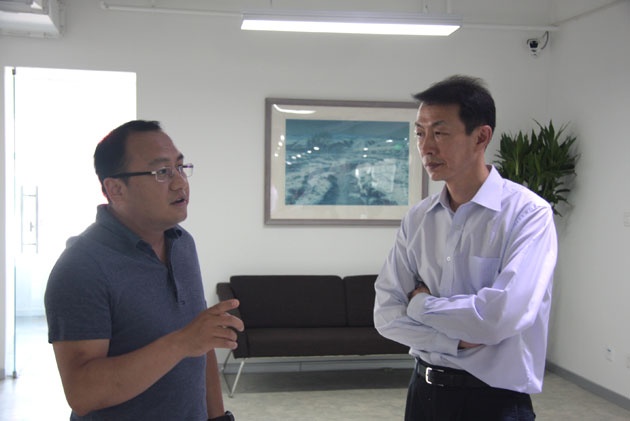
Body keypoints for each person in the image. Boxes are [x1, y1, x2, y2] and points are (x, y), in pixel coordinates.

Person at [374, 75, 557, 420]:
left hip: (494, 402)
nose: (426, 147)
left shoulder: (528, 214)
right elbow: (385, 314)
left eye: (440, 133)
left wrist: (420, 304)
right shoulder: (418, 218)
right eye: (420, 133)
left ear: (481, 137)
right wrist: (456, 339)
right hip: (424, 394)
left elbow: (498, 319)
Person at [45, 120, 243, 421]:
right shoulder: (81, 267)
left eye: (180, 167)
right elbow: (82, 393)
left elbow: (201, 345)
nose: (180, 183)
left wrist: (217, 418)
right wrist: (181, 342)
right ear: (115, 189)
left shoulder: (182, 243)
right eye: (162, 172)